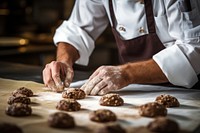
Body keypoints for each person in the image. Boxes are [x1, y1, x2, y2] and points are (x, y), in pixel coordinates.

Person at [42, 0, 200, 95]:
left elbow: (194, 48)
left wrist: (126, 73)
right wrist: (64, 61)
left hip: (188, 94)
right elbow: (78, 28)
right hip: (132, 94)